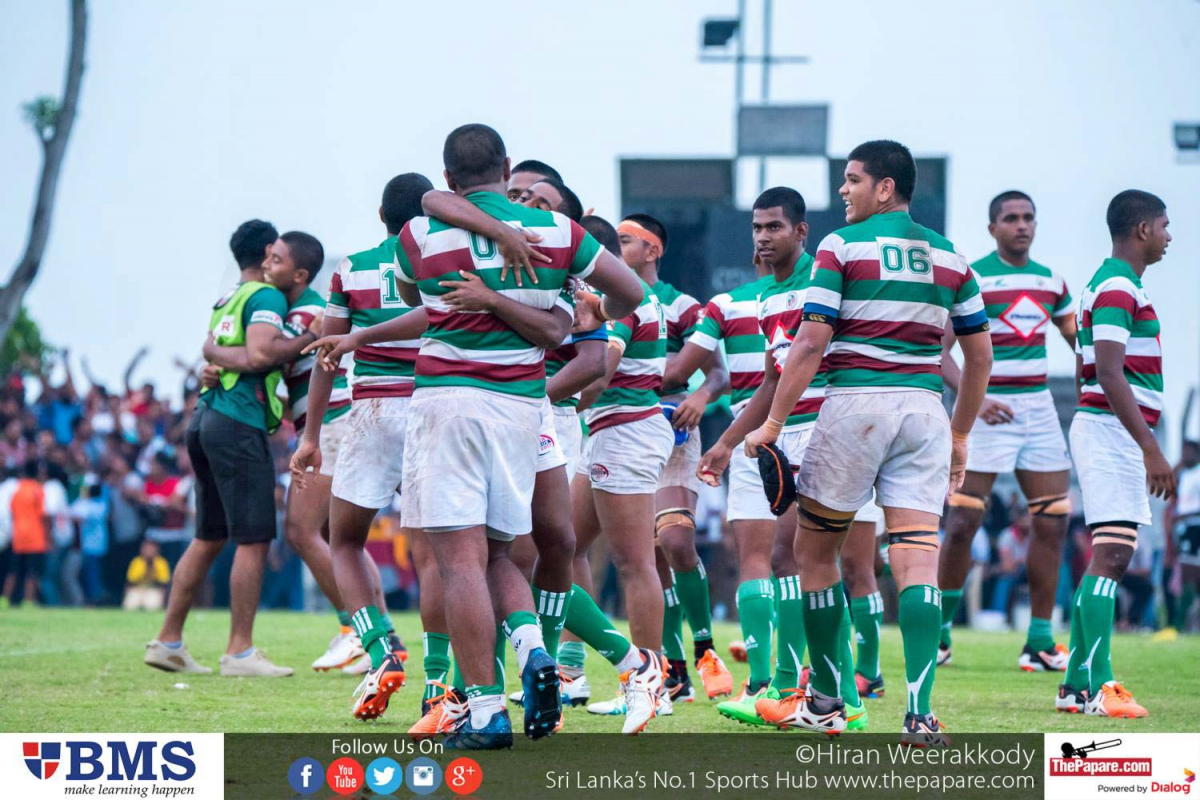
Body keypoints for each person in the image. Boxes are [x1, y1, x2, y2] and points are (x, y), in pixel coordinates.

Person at [395, 124, 646, 747]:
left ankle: (484, 711)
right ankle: (535, 650)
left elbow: (408, 290)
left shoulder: (420, 234)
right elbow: (631, 293)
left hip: (447, 405)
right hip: (522, 410)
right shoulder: (559, 234)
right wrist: (589, 309)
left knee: (459, 564)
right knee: (501, 555)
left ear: (448, 176)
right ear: (506, 168)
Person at [744, 142, 993, 744]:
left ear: (885, 188)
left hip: (855, 405)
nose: (843, 191)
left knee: (814, 554)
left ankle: (827, 701)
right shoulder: (952, 256)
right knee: (917, 557)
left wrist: (772, 425)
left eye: (852, 180)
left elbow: (809, 343)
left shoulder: (840, 246)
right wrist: (960, 435)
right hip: (925, 413)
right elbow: (980, 358)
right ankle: (920, 714)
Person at [697, 188, 867, 730]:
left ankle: (790, 689)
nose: (763, 236)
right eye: (757, 227)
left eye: (774, 227)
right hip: (782, 432)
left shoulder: (822, 280)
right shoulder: (768, 297)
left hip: (824, 427)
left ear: (801, 231)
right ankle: (841, 695)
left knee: (795, 559)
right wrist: (727, 442)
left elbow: (820, 356)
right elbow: (773, 381)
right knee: (804, 563)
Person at [202, 229, 384, 674]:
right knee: (338, 537)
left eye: (277, 259)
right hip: (334, 422)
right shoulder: (299, 308)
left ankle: (360, 631)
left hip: (334, 424)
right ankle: (378, 634)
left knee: (302, 531)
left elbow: (261, 356)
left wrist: (213, 352)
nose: (268, 264)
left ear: (300, 274)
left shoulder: (306, 312)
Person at [144, 219, 297, 678]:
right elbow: (261, 355)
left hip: (205, 418)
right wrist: (309, 339)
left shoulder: (227, 298)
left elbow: (218, 354)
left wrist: (212, 356)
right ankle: (239, 651)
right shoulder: (266, 296)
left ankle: (168, 642)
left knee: (208, 535)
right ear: (267, 252)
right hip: (237, 422)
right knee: (254, 538)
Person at [938, 190, 1076, 672]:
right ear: (992, 227)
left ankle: (1039, 640)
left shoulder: (1052, 282)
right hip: (987, 409)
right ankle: (940, 634)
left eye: (1028, 217)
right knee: (963, 523)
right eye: (1011, 218)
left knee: (1053, 521)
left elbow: (1080, 344)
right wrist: (975, 401)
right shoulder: (973, 277)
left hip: (1038, 408)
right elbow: (940, 350)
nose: (1021, 225)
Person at [1059, 189, 1173, 719]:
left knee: (1110, 556)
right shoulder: (1117, 287)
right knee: (1112, 556)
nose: (1170, 237)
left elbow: (1092, 368)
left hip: (1109, 428)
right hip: (1111, 430)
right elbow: (1107, 372)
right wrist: (1150, 447)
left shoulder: (1112, 284)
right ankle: (1101, 688)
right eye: (1165, 226)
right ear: (1142, 229)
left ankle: (1074, 684)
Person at [618, 212, 734, 703]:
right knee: (645, 556)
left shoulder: (683, 306)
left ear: (653, 250)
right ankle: (672, 669)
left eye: (626, 240)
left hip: (673, 432)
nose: (616, 247)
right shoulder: (604, 299)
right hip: (620, 432)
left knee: (676, 540)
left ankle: (705, 647)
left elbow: (719, 373)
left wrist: (702, 397)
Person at [1, 460, 48, 606]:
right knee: (32, 572)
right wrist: (48, 537)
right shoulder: (38, 490)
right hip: (35, 537)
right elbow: (43, 514)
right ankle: (28, 601)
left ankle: (4, 599)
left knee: (13, 570)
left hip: (18, 536)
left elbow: (11, 510)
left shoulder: (16, 489)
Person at [124, 539, 171, 611]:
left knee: (152, 606)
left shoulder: (161, 562)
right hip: (137, 590)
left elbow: (164, 583)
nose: (149, 551)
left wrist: (153, 567)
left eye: (152, 549)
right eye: (147, 548)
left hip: (153, 590)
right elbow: (130, 581)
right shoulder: (137, 562)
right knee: (130, 606)